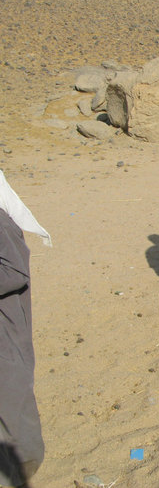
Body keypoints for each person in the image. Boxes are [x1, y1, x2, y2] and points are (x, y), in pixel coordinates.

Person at [0, 170, 50, 487]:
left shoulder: (1, 222)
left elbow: (15, 269)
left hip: (6, 321)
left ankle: (21, 466)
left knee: (11, 391)